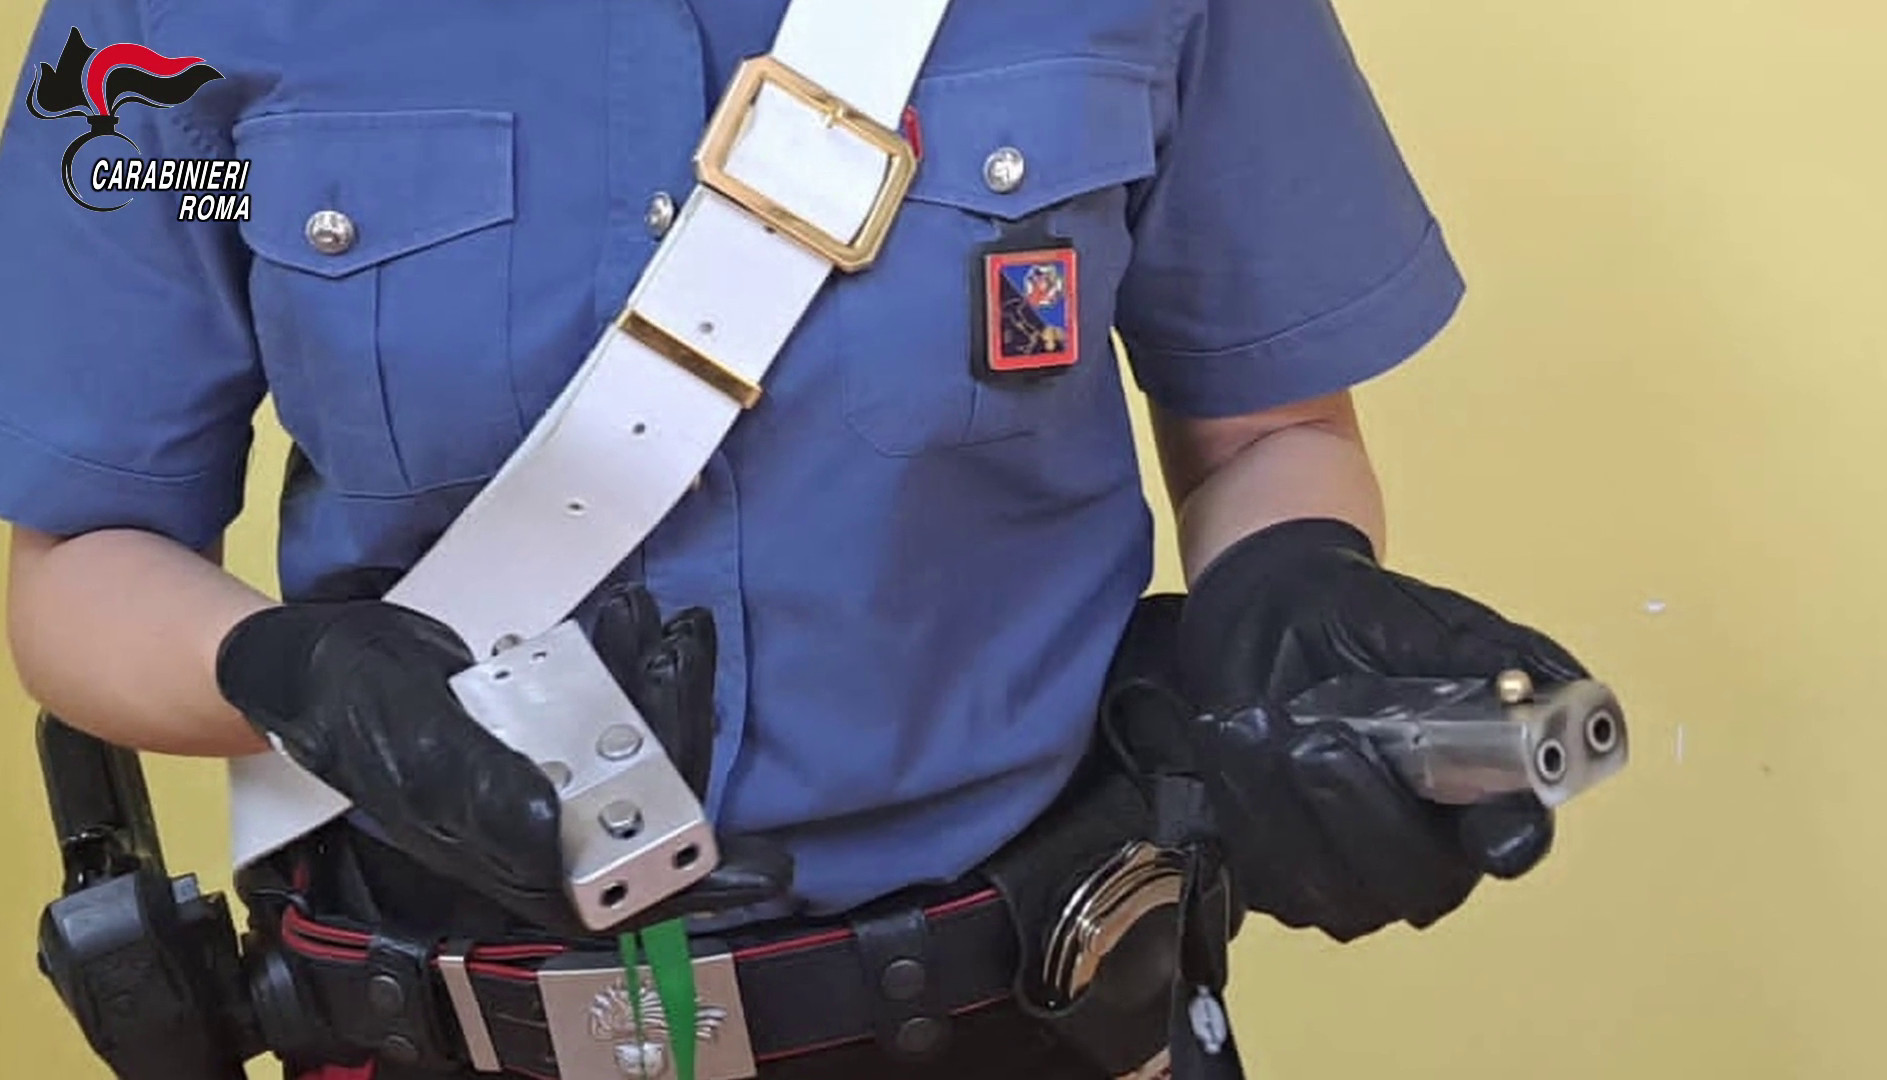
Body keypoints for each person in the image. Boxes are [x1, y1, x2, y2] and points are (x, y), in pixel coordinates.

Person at [0, 1, 1591, 1078]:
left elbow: (1268, 437)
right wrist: (287, 674)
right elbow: (74, 567)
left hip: (1038, 1016)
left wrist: (1293, 594)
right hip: (445, 1018)